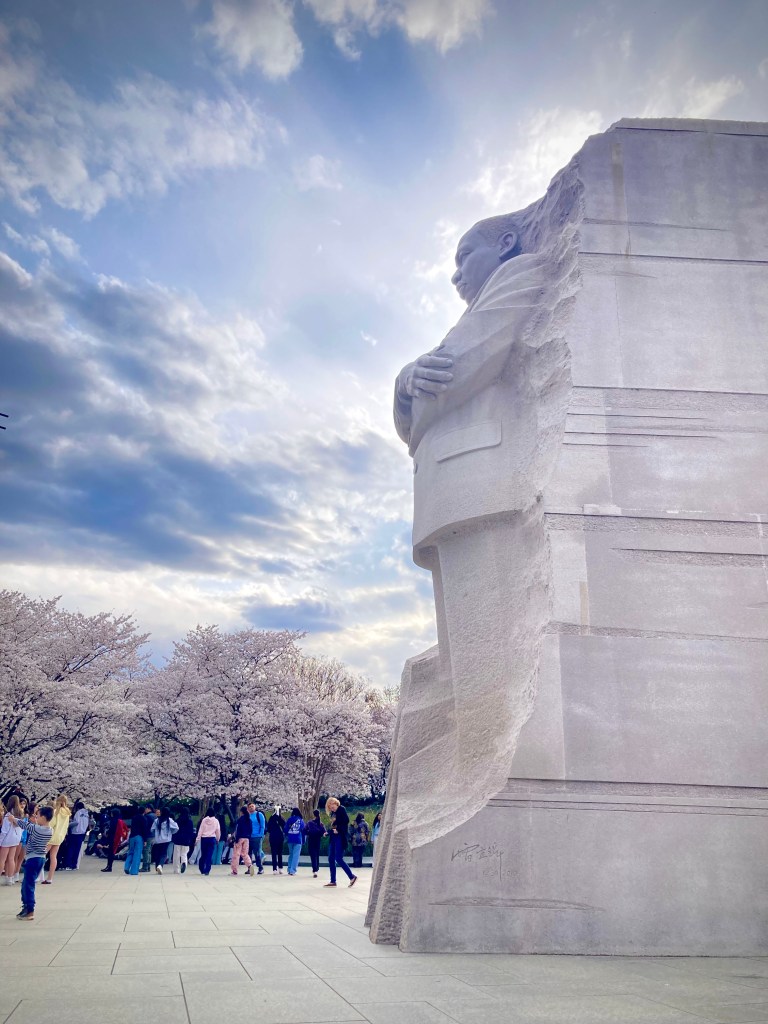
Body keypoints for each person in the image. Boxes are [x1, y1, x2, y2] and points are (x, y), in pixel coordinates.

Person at [17, 805, 54, 921]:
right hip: (40, 858)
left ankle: (29, 910)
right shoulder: (49, 830)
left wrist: (14, 819)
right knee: (26, 884)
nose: (36, 818)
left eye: (37, 816)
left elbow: (25, 825)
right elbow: (33, 826)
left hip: (33, 859)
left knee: (28, 885)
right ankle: (26, 907)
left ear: (43, 817)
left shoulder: (37, 829)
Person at [324, 797, 356, 888]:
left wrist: (338, 829)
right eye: (330, 807)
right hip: (333, 837)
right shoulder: (333, 814)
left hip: (340, 837)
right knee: (331, 859)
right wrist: (329, 832)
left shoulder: (341, 809)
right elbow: (334, 825)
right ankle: (333, 881)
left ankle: (352, 877)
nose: (332, 808)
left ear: (336, 803)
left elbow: (346, 821)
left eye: (332, 806)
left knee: (338, 858)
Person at [43, 794, 70, 883]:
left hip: (51, 836)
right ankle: (50, 878)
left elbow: (51, 824)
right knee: (53, 857)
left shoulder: (56, 812)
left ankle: (38, 875)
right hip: (60, 837)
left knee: (42, 855)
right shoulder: (67, 813)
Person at [0, 796, 24, 884]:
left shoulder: (8, 815)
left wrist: (0, 841)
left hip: (7, 839)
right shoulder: (20, 813)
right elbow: (22, 827)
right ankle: (10, 879)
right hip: (16, 838)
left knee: (2, 859)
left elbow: (4, 830)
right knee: (11, 858)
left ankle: (7, 877)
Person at [124, 806, 152, 876]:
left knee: (130, 852)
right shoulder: (144, 818)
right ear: (144, 811)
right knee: (137, 854)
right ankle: (134, 871)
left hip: (132, 837)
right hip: (139, 837)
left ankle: (126, 866)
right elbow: (144, 830)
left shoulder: (134, 818)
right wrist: (145, 840)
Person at [150, 808, 178, 874]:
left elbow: (152, 829)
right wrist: (172, 832)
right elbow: (176, 828)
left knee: (158, 853)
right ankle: (160, 865)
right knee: (164, 854)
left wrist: (156, 834)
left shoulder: (156, 820)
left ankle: (157, 867)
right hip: (166, 839)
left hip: (158, 839)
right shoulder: (169, 820)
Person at [64, 800, 89, 870]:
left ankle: (68, 864)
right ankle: (74, 865)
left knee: (71, 848)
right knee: (77, 850)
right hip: (82, 833)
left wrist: (68, 825)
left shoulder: (78, 812)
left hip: (75, 832)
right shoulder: (86, 813)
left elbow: (76, 822)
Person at [196, 809, 220, 875]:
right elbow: (218, 831)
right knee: (209, 855)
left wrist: (197, 839)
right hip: (212, 839)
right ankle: (207, 870)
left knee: (203, 854)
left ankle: (201, 868)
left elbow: (200, 830)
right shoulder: (216, 821)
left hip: (204, 839)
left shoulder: (204, 820)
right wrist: (218, 839)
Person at [231, 807, 254, 876]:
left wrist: (236, 838)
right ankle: (250, 865)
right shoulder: (249, 820)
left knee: (236, 854)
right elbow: (251, 830)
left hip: (240, 838)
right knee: (245, 853)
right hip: (247, 838)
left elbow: (238, 829)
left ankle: (234, 870)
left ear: (241, 812)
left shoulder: (240, 820)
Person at [172, 809, 195, 874]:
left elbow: (175, 830)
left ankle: (176, 869)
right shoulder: (190, 821)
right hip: (186, 840)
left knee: (176, 854)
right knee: (184, 853)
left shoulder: (178, 820)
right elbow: (191, 832)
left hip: (178, 839)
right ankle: (184, 862)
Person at [283, 808, 305, 876]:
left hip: (290, 839)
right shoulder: (301, 820)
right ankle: (293, 870)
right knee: (296, 855)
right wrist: (303, 840)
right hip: (298, 839)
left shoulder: (290, 819)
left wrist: (287, 835)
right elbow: (303, 831)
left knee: (291, 854)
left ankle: (289, 869)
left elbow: (285, 829)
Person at [305, 809, 326, 878]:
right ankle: (316, 868)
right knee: (317, 855)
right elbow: (324, 832)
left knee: (313, 855)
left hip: (311, 840)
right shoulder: (321, 824)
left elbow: (304, 831)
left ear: (313, 814)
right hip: (318, 840)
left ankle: (315, 869)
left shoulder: (309, 823)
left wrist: (309, 833)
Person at [248, 803, 266, 874]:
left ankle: (260, 868)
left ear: (255, 807)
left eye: (252, 806)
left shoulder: (259, 815)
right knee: (248, 853)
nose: (251, 807)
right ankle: (249, 868)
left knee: (257, 853)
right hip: (249, 837)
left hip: (257, 837)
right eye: (249, 807)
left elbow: (262, 825)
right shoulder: (248, 816)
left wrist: (260, 834)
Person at [266, 808, 285, 874]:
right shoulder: (282, 818)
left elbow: (268, 829)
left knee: (273, 853)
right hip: (280, 837)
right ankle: (280, 868)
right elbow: (284, 827)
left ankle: (274, 869)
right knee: (280, 853)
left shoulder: (271, 818)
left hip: (273, 836)